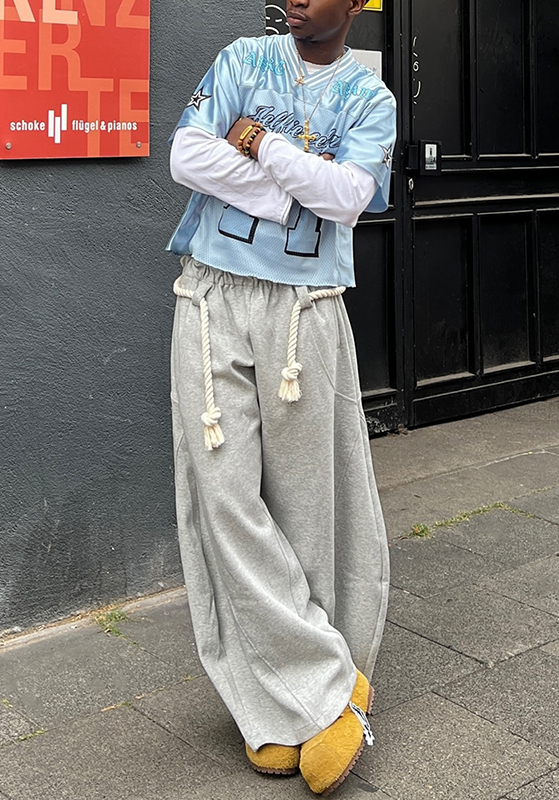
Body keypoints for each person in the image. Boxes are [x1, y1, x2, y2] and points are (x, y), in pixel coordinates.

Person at [166, 0, 395, 794]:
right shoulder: (242, 58)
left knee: (312, 502)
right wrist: (290, 187)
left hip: (307, 312)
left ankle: (295, 701)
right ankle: (322, 695)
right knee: (223, 497)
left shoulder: (372, 100)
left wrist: (260, 145)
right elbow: (186, 158)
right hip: (211, 296)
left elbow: (348, 199)